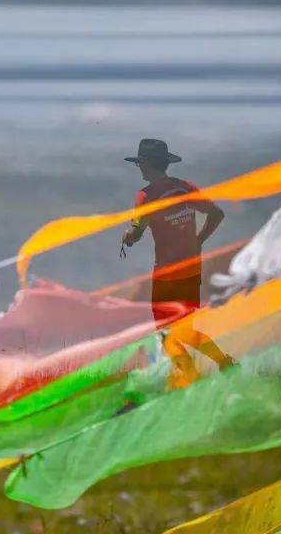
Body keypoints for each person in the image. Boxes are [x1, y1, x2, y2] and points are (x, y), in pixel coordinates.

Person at [121, 138, 234, 388]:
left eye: (140, 163)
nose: (139, 168)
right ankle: (224, 363)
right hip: (192, 269)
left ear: (148, 164)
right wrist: (199, 240)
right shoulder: (186, 188)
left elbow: (136, 234)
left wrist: (127, 237)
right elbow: (217, 214)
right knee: (188, 326)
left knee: (166, 330)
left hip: (167, 274)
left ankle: (188, 378)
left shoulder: (146, 196)